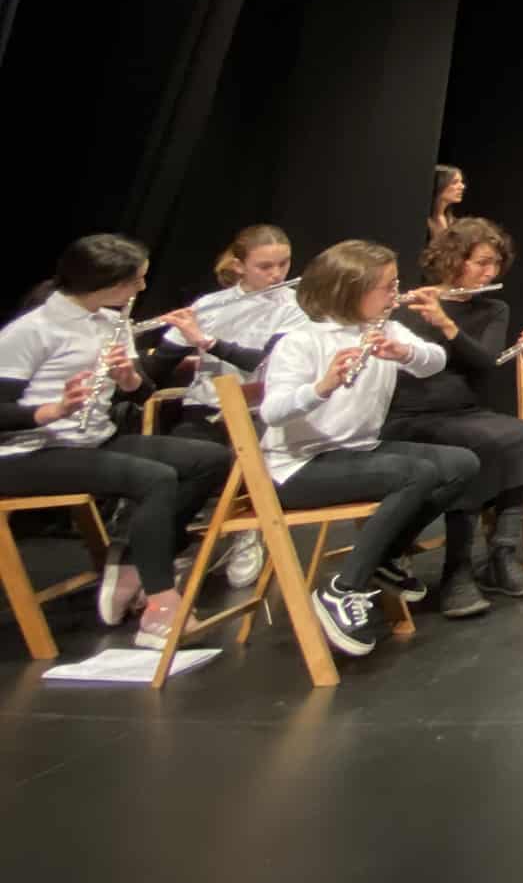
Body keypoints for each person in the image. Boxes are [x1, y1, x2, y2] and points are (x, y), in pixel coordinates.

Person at [0, 235, 233, 650]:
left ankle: (131, 564)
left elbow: (142, 395)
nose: (141, 290)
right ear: (104, 284)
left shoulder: (112, 321)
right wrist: (49, 411)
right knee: (155, 479)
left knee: (211, 459)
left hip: (91, 440)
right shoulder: (31, 331)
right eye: (135, 282)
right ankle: (160, 608)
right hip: (27, 453)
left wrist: (128, 379)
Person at [259, 240, 480, 656]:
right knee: (417, 473)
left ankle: (383, 556)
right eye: (387, 287)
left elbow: (435, 360)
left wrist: (406, 351)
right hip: (299, 466)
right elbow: (272, 411)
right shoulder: (301, 340)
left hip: (358, 450)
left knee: (460, 463)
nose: (395, 295)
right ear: (350, 290)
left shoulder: (383, 329)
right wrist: (320, 388)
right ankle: (343, 589)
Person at [379, 216, 523, 615]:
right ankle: (458, 568)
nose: (490, 273)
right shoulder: (407, 309)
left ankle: (501, 556)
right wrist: (430, 315)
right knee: (479, 445)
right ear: (454, 259)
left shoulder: (493, 308)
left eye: (494, 265)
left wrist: (447, 324)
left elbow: (486, 362)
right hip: (411, 415)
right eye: (481, 263)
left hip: (465, 410)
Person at [146, 223, 307, 588]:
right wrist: (126, 364)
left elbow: (259, 362)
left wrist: (204, 340)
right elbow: (158, 368)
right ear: (239, 266)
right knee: (173, 470)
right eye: (264, 266)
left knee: (241, 459)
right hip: (204, 409)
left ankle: (249, 527)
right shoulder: (209, 305)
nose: (277, 274)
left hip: (259, 413)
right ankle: (170, 544)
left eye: (283, 264)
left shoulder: (294, 307)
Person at [428, 165, 465, 245]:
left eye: (461, 182)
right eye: (455, 182)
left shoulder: (455, 222)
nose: (462, 186)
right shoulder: (422, 221)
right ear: (439, 184)